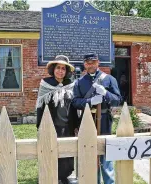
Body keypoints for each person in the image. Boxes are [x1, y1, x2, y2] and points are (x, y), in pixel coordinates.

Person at [72, 53, 121, 184]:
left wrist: (105, 93)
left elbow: (117, 100)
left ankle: (109, 181)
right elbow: (75, 102)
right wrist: (90, 101)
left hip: (104, 119)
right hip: (87, 120)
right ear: (84, 64)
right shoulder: (79, 82)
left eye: (93, 62)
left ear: (98, 62)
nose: (90, 65)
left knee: (105, 153)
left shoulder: (109, 79)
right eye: (88, 63)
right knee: (89, 152)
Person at [36, 55, 79, 184]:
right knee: (52, 150)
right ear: (53, 69)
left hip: (68, 125)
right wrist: (40, 126)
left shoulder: (71, 85)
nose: (60, 71)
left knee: (67, 152)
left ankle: (65, 176)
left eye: (63, 69)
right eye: (58, 68)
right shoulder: (45, 84)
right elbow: (40, 106)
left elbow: (74, 107)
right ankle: (53, 176)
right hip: (52, 125)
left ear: (67, 71)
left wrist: (76, 125)